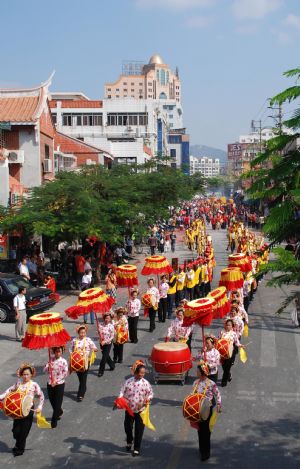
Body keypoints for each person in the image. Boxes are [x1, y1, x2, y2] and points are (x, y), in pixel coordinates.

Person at [0, 363, 44, 456]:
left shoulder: (34, 385)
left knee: (23, 432)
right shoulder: (18, 383)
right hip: (17, 411)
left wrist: (39, 406)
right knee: (16, 432)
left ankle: (20, 449)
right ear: (21, 374)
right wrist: (1, 397)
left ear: (31, 374)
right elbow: (9, 390)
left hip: (28, 411)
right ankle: (18, 442)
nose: (25, 376)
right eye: (24, 374)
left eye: (27, 374)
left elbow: (41, 395)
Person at [118, 362, 154, 457]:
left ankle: (136, 448)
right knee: (127, 427)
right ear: (135, 373)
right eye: (141, 373)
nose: (142, 374)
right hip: (129, 409)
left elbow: (151, 393)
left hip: (141, 410)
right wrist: (120, 399)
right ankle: (129, 441)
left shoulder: (146, 383)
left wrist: (148, 399)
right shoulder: (128, 381)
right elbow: (122, 391)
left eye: (143, 373)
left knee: (139, 430)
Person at [190, 360, 221, 461]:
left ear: (203, 372)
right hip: (198, 410)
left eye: (198, 371)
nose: (196, 372)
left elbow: (218, 394)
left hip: (207, 410)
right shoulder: (195, 382)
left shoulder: (211, 383)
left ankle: (206, 452)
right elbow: (192, 395)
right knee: (200, 430)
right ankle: (201, 448)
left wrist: (219, 405)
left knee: (206, 431)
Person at [71, 325, 98, 401]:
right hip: (76, 362)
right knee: (80, 377)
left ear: (86, 333)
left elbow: (93, 346)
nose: (82, 334)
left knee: (83, 377)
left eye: (84, 332)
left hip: (86, 361)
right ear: (78, 333)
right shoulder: (74, 340)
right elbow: (71, 349)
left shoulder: (88, 340)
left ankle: (80, 395)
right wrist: (72, 355)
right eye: (81, 333)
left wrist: (95, 349)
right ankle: (83, 388)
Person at [43, 346, 68, 428]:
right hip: (50, 383)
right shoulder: (50, 360)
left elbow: (65, 373)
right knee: (52, 401)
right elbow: (44, 371)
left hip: (59, 384)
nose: (58, 353)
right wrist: (48, 367)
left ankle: (54, 422)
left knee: (57, 403)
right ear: (54, 352)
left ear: (62, 352)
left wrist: (56, 382)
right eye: (56, 351)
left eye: (59, 351)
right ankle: (59, 411)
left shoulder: (63, 361)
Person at [219, 319, 243, 387]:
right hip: (222, 353)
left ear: (232, 326)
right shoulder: (222, 332)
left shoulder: (234, 334)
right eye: (226, 325)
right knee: (224, 367)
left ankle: (224, 382)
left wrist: (240, 345)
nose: (227, 326)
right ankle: (228, 375)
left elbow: (236, 342)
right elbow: (218, 340)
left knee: (227, 367)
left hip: (230, 351)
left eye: (229, 325)